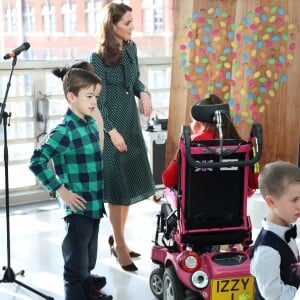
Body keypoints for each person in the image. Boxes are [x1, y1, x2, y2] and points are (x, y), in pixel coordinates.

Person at [29, 66, 113, 300]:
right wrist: (59, 190)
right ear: (71, 97)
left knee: (88, 258)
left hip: (94, 205)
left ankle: (88, 292)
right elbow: (36, 161)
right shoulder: (64, 131)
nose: (94, 101)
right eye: (89, 96)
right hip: (77, 209)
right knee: (75, 265)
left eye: (96, 96)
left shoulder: (88, 124)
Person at [90, 2, 155, 272]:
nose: (132, 27)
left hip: (130, 120)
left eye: (132, 22)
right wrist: (111, 131)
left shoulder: (131, 47)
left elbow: (135, 80)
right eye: (127, 23)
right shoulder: (97, 57)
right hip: (112, 123)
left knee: (126, 183)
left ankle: (120, 239)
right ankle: (118, 244)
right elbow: (98, 100)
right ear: (112, 25)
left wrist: (145, 92)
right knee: (116, 185)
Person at [162, 94, 259, 196]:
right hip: (232, 209)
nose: (190, 125)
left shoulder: (192, 143)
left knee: (167, 197)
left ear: (200, 122)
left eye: (192, 121)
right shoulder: (240, 146)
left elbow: (167, 180)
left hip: (196, 207)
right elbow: (250, 188)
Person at [250, 161, 300, 300]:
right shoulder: (267, 250)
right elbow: (275, 296)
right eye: (294, 199)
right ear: (271, 202)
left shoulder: (285, 230)